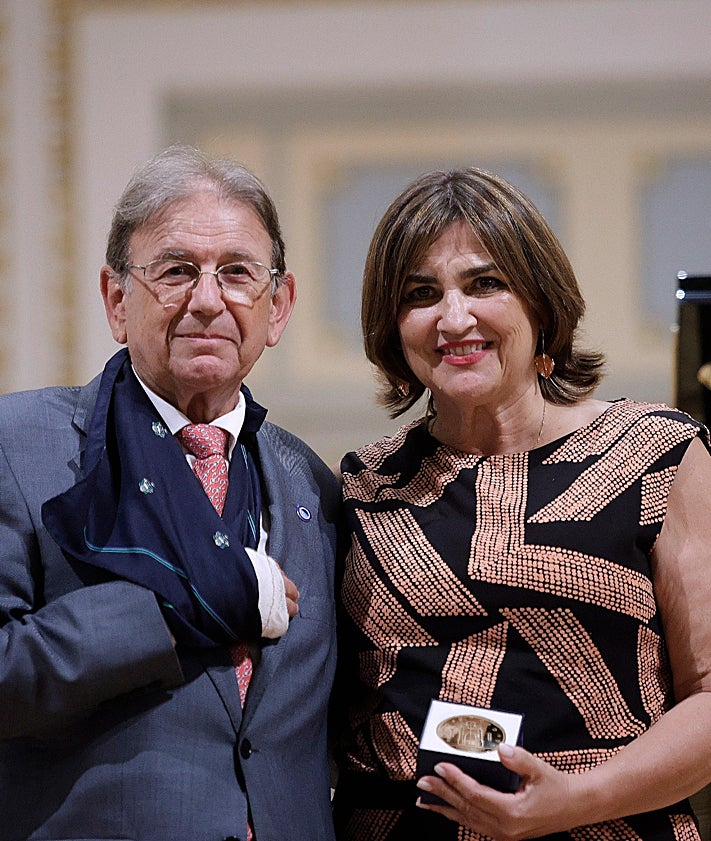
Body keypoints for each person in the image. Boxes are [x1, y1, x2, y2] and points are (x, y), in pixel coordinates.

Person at [332, 167, 711, 840]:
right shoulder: (364, 484)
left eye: (484, 283)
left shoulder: (655, 453)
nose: (453, 317)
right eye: (421, 294)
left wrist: (575, 798)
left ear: (540, 302)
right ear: (393, 326)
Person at [0, 145, 340, 841]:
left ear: (277, 307)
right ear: (116, 299)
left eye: (237, 273)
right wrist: (174, 604)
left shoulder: (314, 483)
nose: (207, 299)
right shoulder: (14, 444)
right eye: (177, 270)